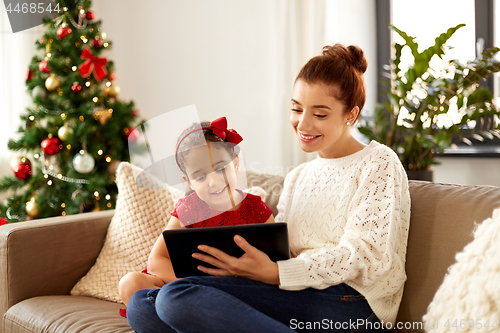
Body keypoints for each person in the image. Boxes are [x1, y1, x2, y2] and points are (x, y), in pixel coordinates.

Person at [126, 44, 411, 333]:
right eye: (296, 109)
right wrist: (255, 269)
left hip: (350, 301)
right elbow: (281, 249)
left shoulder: (379, 162)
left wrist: (277, 272)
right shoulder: (298, 176)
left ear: (351, 114)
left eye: (320, 114)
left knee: (173, 299)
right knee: (142, 306)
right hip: (291, 291)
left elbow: (364, 255)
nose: (303, 123)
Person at [118, 117, 275, 307]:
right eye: (200, 176)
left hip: (239, 290)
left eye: (220, 169)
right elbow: (156, 261)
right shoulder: (189, 209)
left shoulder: (256, 208)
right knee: (130, 283)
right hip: (190, 287)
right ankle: (180, 313)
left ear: (235, 163)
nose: (213, 181)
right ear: (189, 182)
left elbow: (277, 260)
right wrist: (194, 286)